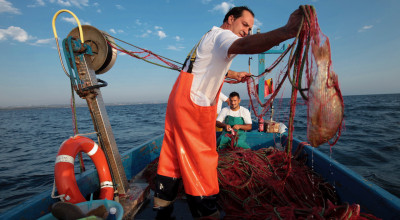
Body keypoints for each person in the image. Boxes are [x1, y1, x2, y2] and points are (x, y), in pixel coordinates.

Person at [154, 6, 303, 219]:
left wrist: (233, 73)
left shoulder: (210, 35)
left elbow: (207, 65)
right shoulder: (223, 35)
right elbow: (243, 45)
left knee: (171, 158)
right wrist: (288, 30)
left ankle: (162, 210)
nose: (247, 32)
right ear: (231, 19)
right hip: (193, 108)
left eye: (250, 29)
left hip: (177, 102)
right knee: (202, 161)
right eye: (245, 25)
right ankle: (207, 213)